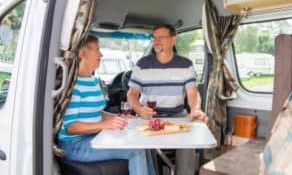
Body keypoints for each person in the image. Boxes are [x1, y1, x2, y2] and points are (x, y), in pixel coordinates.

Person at [58, 35, 156, 175]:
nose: (101, 54)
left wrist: (119, 117)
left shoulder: (93, 81)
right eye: (97, 49)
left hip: (93, 137)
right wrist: (104, 125)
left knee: (141, 143)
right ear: (83, 53)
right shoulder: (74, 85)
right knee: (135, 151)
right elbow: (70, 127)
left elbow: (97, 113)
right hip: (75, 145)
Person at [127, 24, 208, 175]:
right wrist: (139, 109)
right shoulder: (142, 64)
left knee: (189, 143)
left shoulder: (185, 65)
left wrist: (195, 108)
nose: (156, 41)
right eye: (154, 38)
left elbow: (193, 93)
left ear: (173, 40)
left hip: (177, 116)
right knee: (142, 145)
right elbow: (131, 94)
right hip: (149, 117)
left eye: (161, 38)